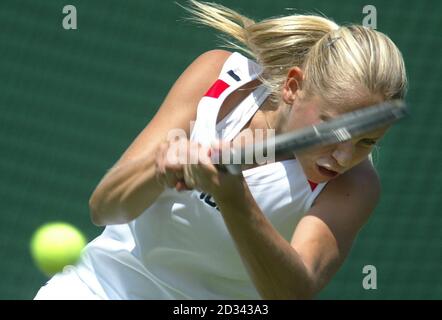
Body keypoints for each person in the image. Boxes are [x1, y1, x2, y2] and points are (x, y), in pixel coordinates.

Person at [34, 0, 407, 299]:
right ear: (294, 87)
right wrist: (160, 166)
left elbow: (292, 292)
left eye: (367, 142)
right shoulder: (220, 78)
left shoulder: (355, 186)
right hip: (99, 287)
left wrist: (233, 196)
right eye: (333, 130)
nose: (343, 157)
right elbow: (104, 208)